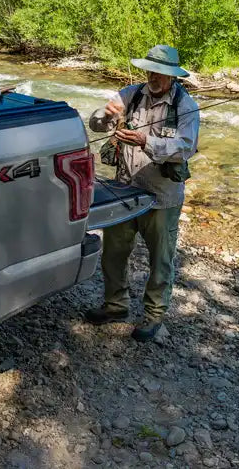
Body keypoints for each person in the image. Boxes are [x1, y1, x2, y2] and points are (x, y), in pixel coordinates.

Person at [84, 44, 200, 342]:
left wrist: (144, 140)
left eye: (161, 73)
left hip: (163, 197)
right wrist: (104, 114)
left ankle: (153, 317)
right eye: (151, 70)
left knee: (160, 260)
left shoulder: (186, 107)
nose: (154, 77)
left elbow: (185, 147)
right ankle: (115, 306)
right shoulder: (129, 94)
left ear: (172, 76)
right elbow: (96, 125)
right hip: (125, 190)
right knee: (113, 253)